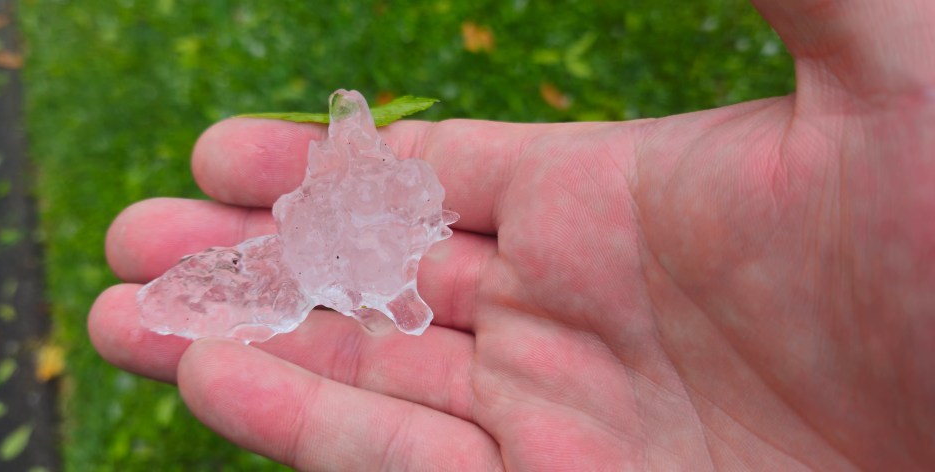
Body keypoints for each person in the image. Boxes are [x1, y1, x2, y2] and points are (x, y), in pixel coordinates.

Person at [88, 0, 934, 469]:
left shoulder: (371, 238)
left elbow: (392, 285)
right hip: (309, 266)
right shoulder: (325, 246)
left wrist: (390, 285)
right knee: (223, 293)